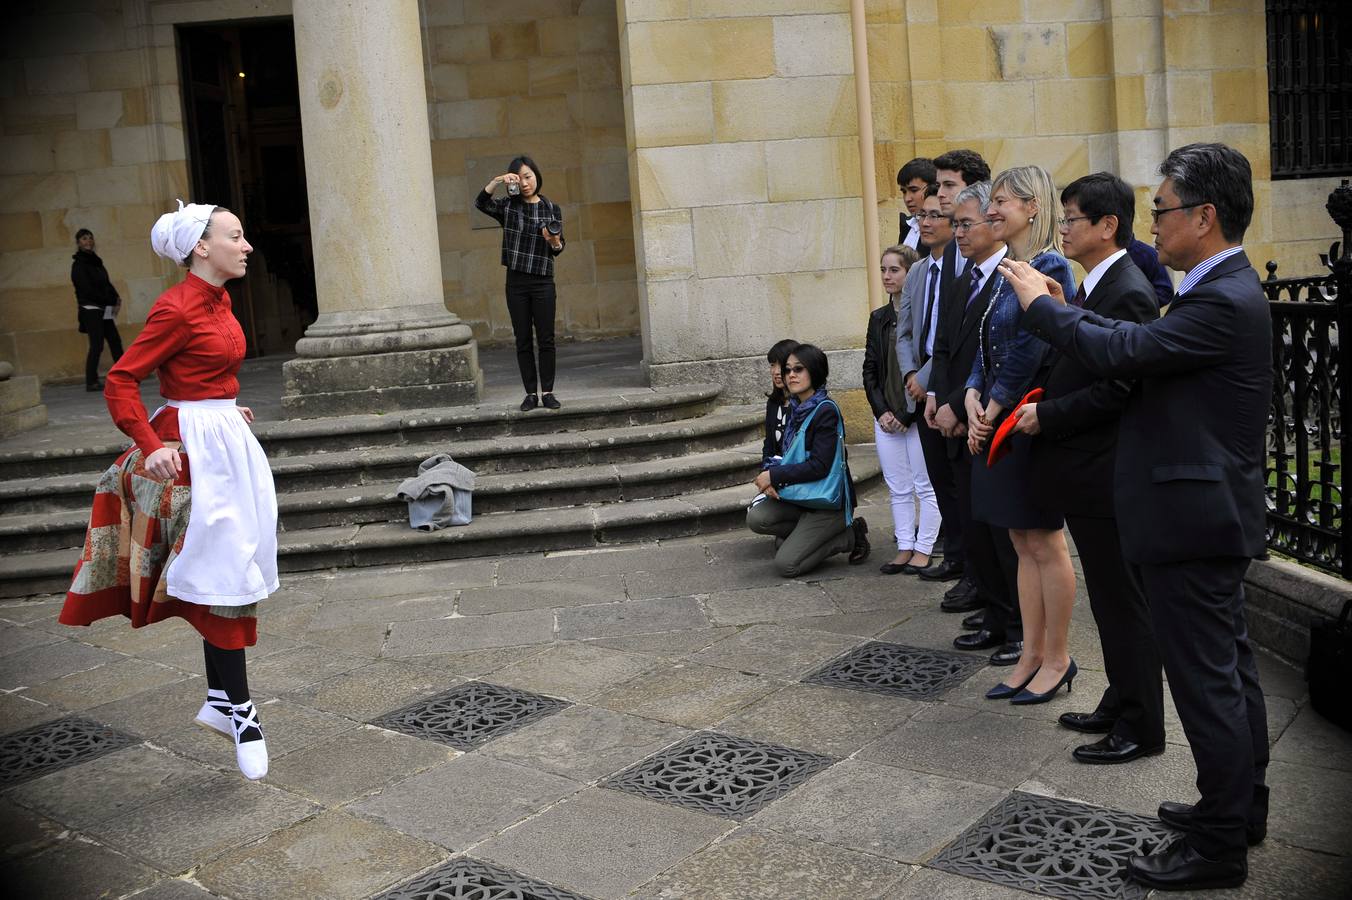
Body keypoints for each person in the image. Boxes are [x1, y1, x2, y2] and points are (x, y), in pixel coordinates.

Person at [1007, 143, 1270, 891]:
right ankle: (1238, 807)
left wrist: (1046, 309)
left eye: (1162, 210)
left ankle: (1219, 843)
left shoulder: (1222, 298)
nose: (1154, 223)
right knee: (1230, 671)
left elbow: (1125, 348)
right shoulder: (1216, 289)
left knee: (1207, 682)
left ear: (1205, 216)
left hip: (1194, 520)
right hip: (1201, 514)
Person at [60, 201, 278, 781]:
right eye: (236, 236)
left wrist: (225, 407)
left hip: (224, 436)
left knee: (230, 564)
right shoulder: (176, 306)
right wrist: (150, 443)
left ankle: (219, 700)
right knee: (224, 568)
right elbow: (121, 378)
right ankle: (243, 713)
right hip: (190, 453)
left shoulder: (221, 298)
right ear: (201, 249)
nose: (247, 245)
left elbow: (205, 373)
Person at [1014, 173, 1165, 762]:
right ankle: (1121, 698)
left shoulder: (1128, 288)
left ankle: (1142, 725)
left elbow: (1121, 387)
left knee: (1123, 601)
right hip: (1087, 471)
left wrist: (1047, 417)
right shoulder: (1093, 284)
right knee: (1109, 599)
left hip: (1106, 473)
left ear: (1108, 225)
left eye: (1073, 217)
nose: (1064, 228)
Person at [963, 165, 1078, 703]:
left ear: (1033, 207)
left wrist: (990, 407)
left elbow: (1031, 347)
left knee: (1044, 541)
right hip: (999, 419)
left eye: (1003, 201)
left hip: (1028, 422)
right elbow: (986, 346)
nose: (992, 210)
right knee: (1020, 540)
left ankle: (1058, 657)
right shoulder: (1012, 265)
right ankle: (1030, 654)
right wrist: (970, 394)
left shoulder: (1051, 267)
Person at [926, 181, 1022, 666]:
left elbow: (1002, 356)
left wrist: (970, 407)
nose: (957, 232)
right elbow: (945, 344)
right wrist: (943, 399)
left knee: (1000, 534)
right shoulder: (964, 276)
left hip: (986, 420)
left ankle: (1014, 624)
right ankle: (994, 609)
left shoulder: (1010, 275)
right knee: (973, 523)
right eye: (956, 224)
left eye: (966, 224)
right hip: (957, 412)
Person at [919, 148, 991, 601]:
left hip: (976, 405)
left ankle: (983, 583)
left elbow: (985, 343)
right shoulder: (948, 256)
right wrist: (935, 392)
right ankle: (966, 565)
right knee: (951, 489)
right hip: (945, 395)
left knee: (979, 503)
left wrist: (961, 400)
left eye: (947, 185)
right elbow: (943, 335)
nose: (939, 194)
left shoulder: (999, 260)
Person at [748, 344, 869, 576]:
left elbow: (820, 466)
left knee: (787, 564)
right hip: (800, 498)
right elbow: (782, 453)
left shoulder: (825, 410)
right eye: (788, 370)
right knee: (758, 517)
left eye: (799, 369)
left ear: (814, 371)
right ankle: (806, 534)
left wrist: (775, 475)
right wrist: (772, 476)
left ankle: (848, 536)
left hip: (825, 503)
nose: (790, 375)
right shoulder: (795, 407)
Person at [864, 245, 936, 574]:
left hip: (916, 414)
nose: (886, 276)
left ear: (911, 272)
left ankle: (925, 547)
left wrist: (907, 415)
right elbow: (870, 370)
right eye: (883, 270)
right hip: (886, 415)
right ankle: (905, 544)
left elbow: (924, 366)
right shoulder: (879, 318)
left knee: (925, 484)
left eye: (894, 270)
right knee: (898, 486)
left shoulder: (921, 316)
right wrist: (881, 411)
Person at [475, 155, 566, 412]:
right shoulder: (508, 207)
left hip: (543, 280)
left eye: (529, 176)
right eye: (520, 178)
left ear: (536, 175)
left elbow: (559, 248)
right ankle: (530, 394)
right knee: (523, 339)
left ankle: (547, 392)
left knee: (546, 339)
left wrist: (553, 241)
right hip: (516, 282)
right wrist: (496, 181)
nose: (525, 183)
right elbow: (481, 203)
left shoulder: (551, 208)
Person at [70, 228, 125, 391]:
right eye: (84, 239)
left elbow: (106, 283)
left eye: (90, 238)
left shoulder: (96, 262)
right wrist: (107, 299)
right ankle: (91, 381)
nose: (88, 241)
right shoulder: (78, 265)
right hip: (91, 309)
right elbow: (86, 289)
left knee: (115, 341)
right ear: (78, 243)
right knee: (97, 344)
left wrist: (115, 297)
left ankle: (125, 375)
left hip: (105, 308)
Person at [762, 338, 799, 465]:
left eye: (781, 365)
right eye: (772, 365)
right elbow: (768, 445)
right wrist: (766, 469)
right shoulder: (773, 403)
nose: (776, 372)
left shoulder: (805, 405)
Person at [896, 157, 936, 249]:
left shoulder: (944, 229)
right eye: (904, 192)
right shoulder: (907, 225)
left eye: (914, 190)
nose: (907, 199)